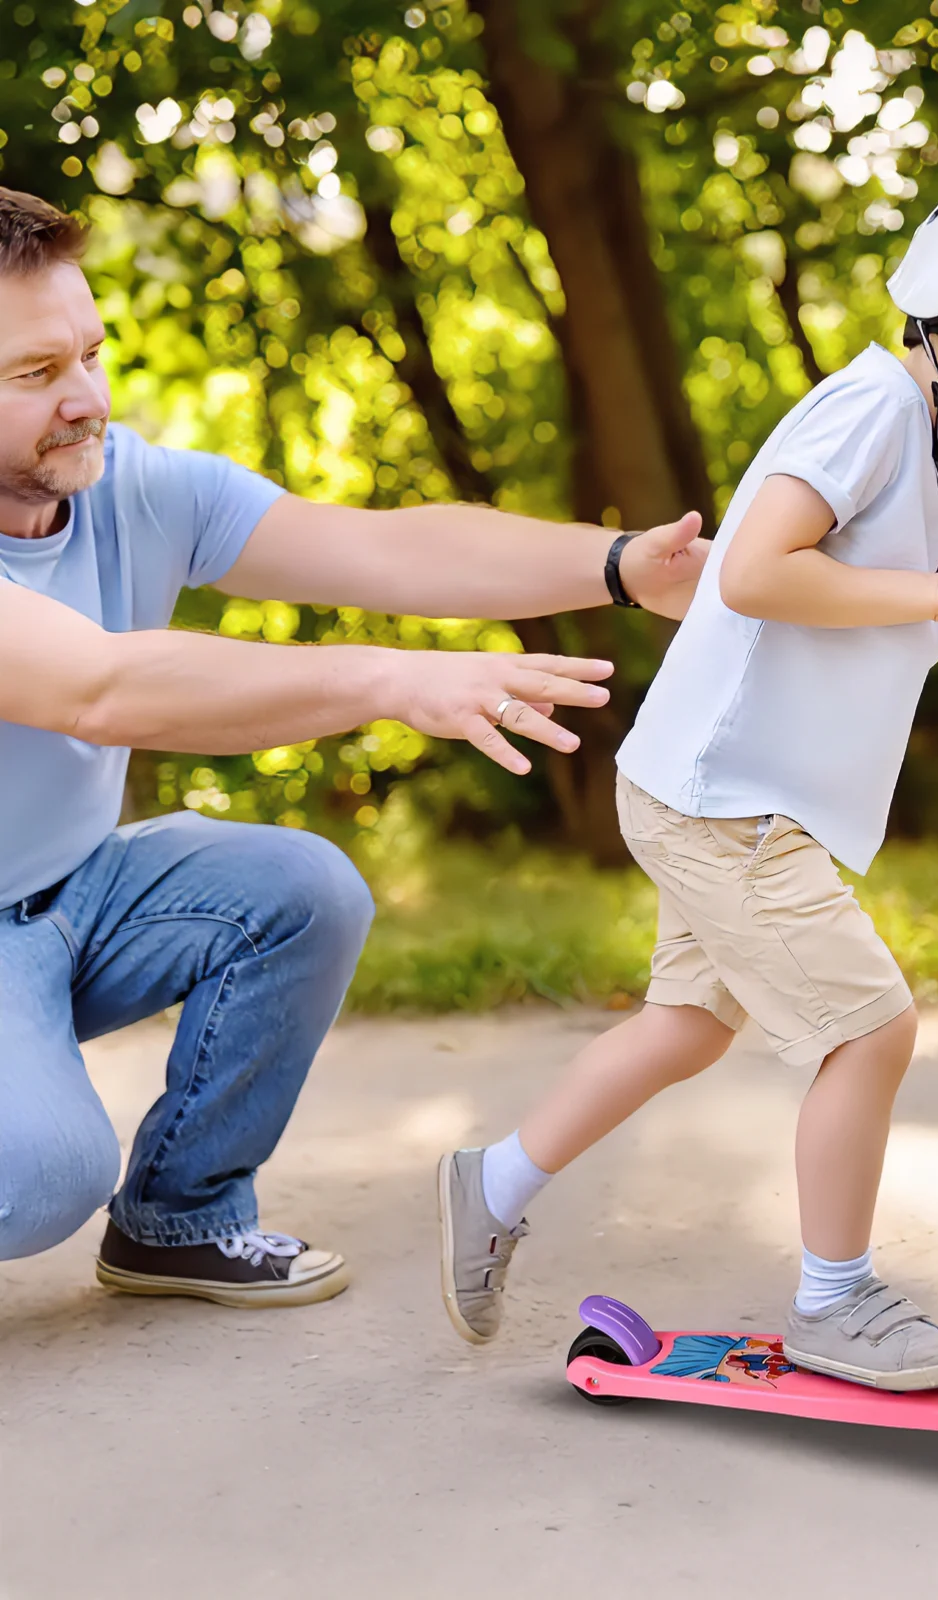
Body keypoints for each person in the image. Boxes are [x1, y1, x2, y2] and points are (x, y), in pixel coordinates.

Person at [437, 162, 938, 1389]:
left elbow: (885, 599)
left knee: (686, 1025)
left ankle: (492, 1182)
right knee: (870, 1028)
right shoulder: (872, 412)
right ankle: (833, 1301)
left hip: (730, 792)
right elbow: (753, 571)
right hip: (725, 797)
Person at [0, 187, 709, 1307]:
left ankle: (178, 1222)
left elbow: (383, 552)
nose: (87, 398)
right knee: (40, 1173)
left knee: (297, 890)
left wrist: (619, 565)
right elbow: (99, 687)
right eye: (35, 376)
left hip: (66, 890)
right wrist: (392, 679)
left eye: (89, 354)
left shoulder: (131, 486)